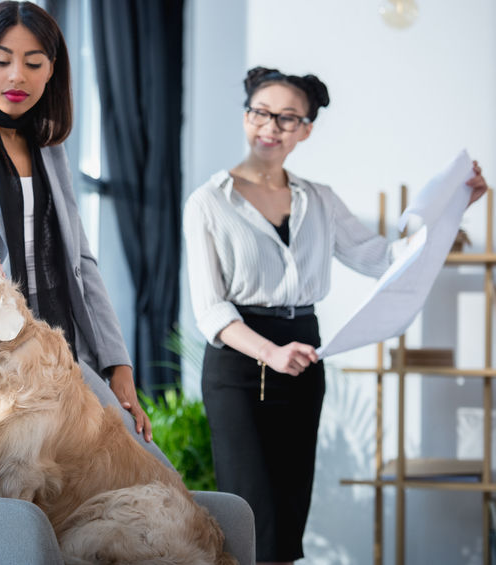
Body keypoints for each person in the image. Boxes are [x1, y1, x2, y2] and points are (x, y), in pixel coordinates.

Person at [183, 66, 487, 564]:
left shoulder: (318, 200)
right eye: (261, 113)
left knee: (288, 508)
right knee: (250, 511)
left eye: (287, 118)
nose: (271, 127)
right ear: (245, 116)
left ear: (305, 129)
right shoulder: (209, 202)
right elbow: (210, 310)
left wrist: (455, 205)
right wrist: (270, 353)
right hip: (241, 362)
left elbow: (383, 259)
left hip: (304, 350)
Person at [0, 1, 161, 454]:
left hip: (61, 347)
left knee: (137, 458)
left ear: (51, 70)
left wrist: (118, 365)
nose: (17, 75)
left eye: (33, 62)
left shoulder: (50, 146)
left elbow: (81, 261)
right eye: (2, 61)